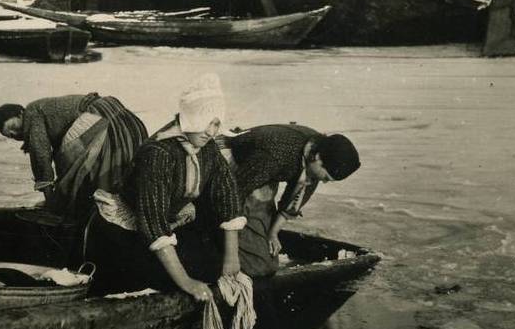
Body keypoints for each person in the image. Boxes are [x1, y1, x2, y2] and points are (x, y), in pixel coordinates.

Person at [85, 74, 246, 301]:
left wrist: (232, 259)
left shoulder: (207, 147)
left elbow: (226, 192)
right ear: (190, 118)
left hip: (170, 222)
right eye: (206, 122)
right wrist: (187, 283)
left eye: (216, 124)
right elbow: (153, 222)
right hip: (126, 232)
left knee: (212, 265)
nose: (210, 132)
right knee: (158, 280)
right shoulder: (159, 153)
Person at [226, 124, 361, 276]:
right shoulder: (276, 155)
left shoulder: (316, 151)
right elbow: (231, 195)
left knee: (269, 264)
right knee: (258, 267)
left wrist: (273, 232)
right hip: (234, 168)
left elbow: (297, 196)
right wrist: (230, 255)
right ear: (316, 158)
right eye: (325, 177)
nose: (323, 182)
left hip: (263, 174)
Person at [0, 93, 148, 219]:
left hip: (98, 116)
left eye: (13, 127)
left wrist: (50, 198)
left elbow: (40, 156)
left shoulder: (31, 112)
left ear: (21, 113)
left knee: (67, 166)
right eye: (10, 135)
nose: (15, 134)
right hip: (120, 115)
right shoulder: (39, 113)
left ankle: (64, 209)